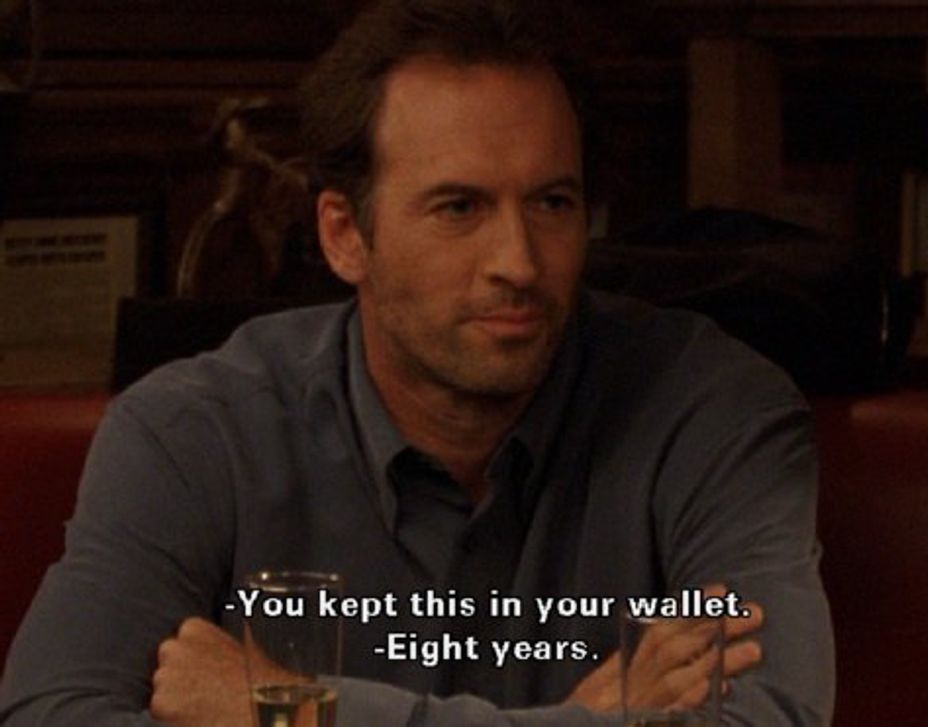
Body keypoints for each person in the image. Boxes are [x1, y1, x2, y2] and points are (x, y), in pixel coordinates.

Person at [0, 0, 834, 725]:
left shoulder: (714, 412)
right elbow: (53, 711)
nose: (518, 261)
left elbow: (766, 716)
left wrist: (297, 711)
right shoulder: (192, 430)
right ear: (344, 234)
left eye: (552, 202)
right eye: (459, 207)